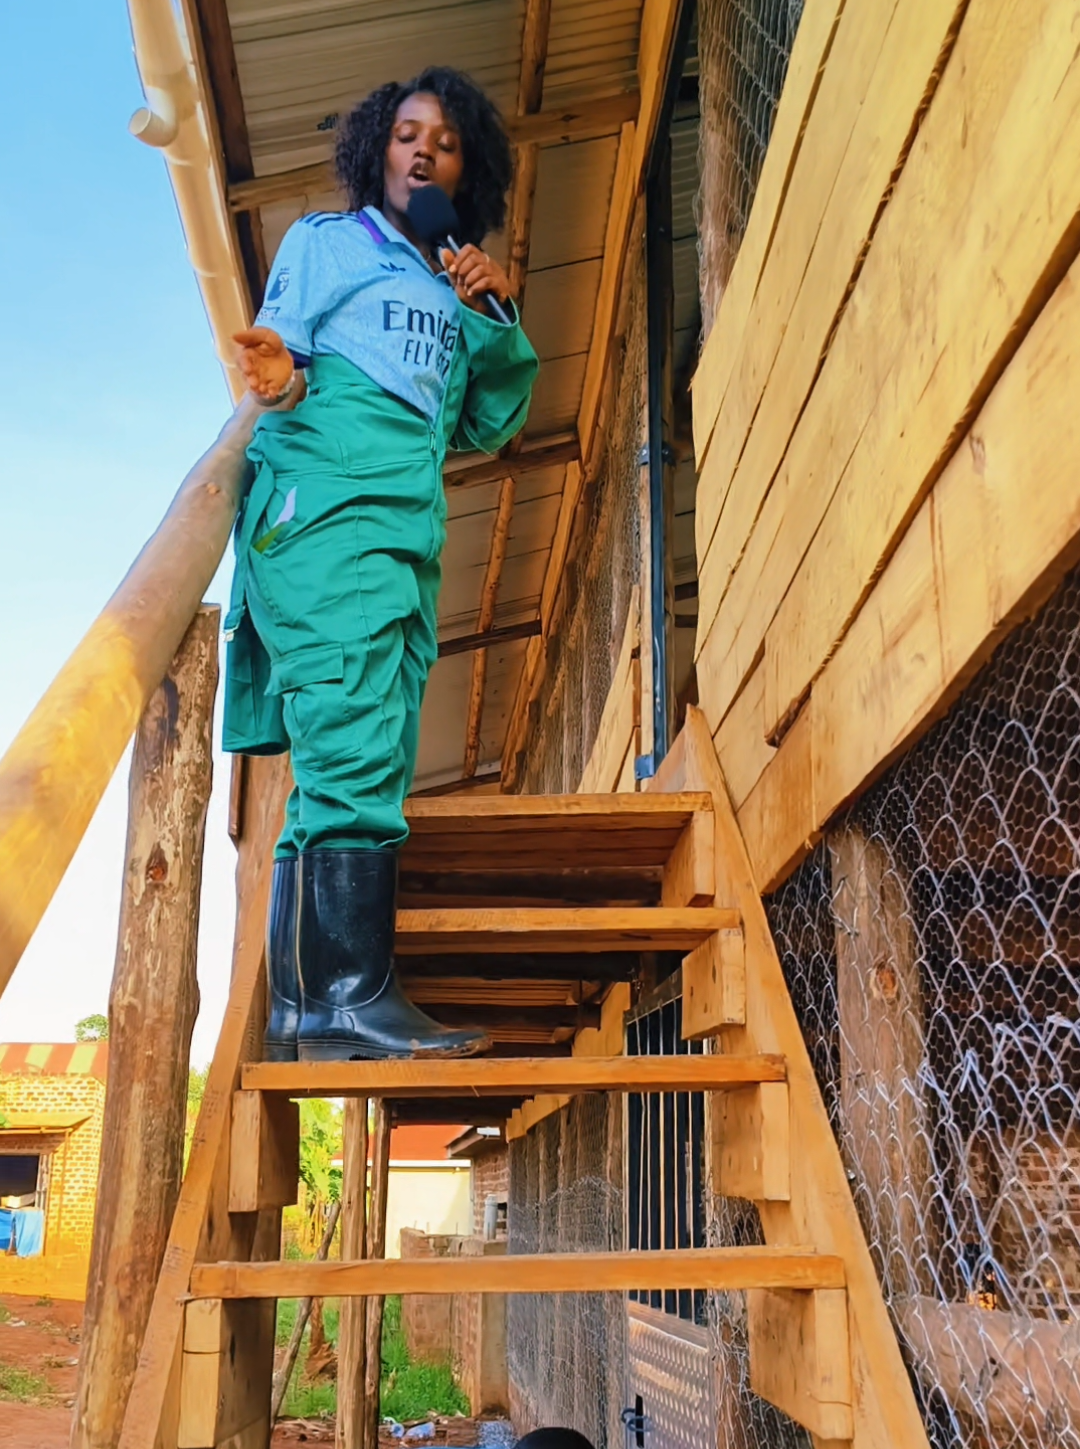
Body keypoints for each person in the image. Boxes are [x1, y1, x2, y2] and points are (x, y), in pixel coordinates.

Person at [222, 66, 538, 1063]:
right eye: (407, 135)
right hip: (328, 508)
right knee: (352, 745)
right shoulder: (330, 241)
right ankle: (351, 994)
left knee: (364, 750)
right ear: (377, 150)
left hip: (406, 533)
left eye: (445, 143)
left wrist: (494, 312)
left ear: (467, 171)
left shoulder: (451, 281)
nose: (423, 153)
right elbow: (285, 361)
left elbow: (492, 422)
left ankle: (301, 1007)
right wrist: (281, 375)